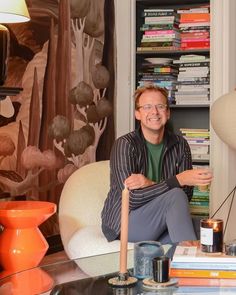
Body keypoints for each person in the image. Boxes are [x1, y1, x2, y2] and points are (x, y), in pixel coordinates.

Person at [101, 84, 212, 245]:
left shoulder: (180, 144)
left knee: (206, 229)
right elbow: (130, 199)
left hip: (159, 219)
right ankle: (188, 264)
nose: (154, 112)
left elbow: (186, 196)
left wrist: (149, 183)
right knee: (176, 197)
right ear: (137, 114)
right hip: (125, 221)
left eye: (160, 106)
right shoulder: (125, 145)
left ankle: (178, 264)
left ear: (167, 112)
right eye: (147, 107)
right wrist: (178, 180)